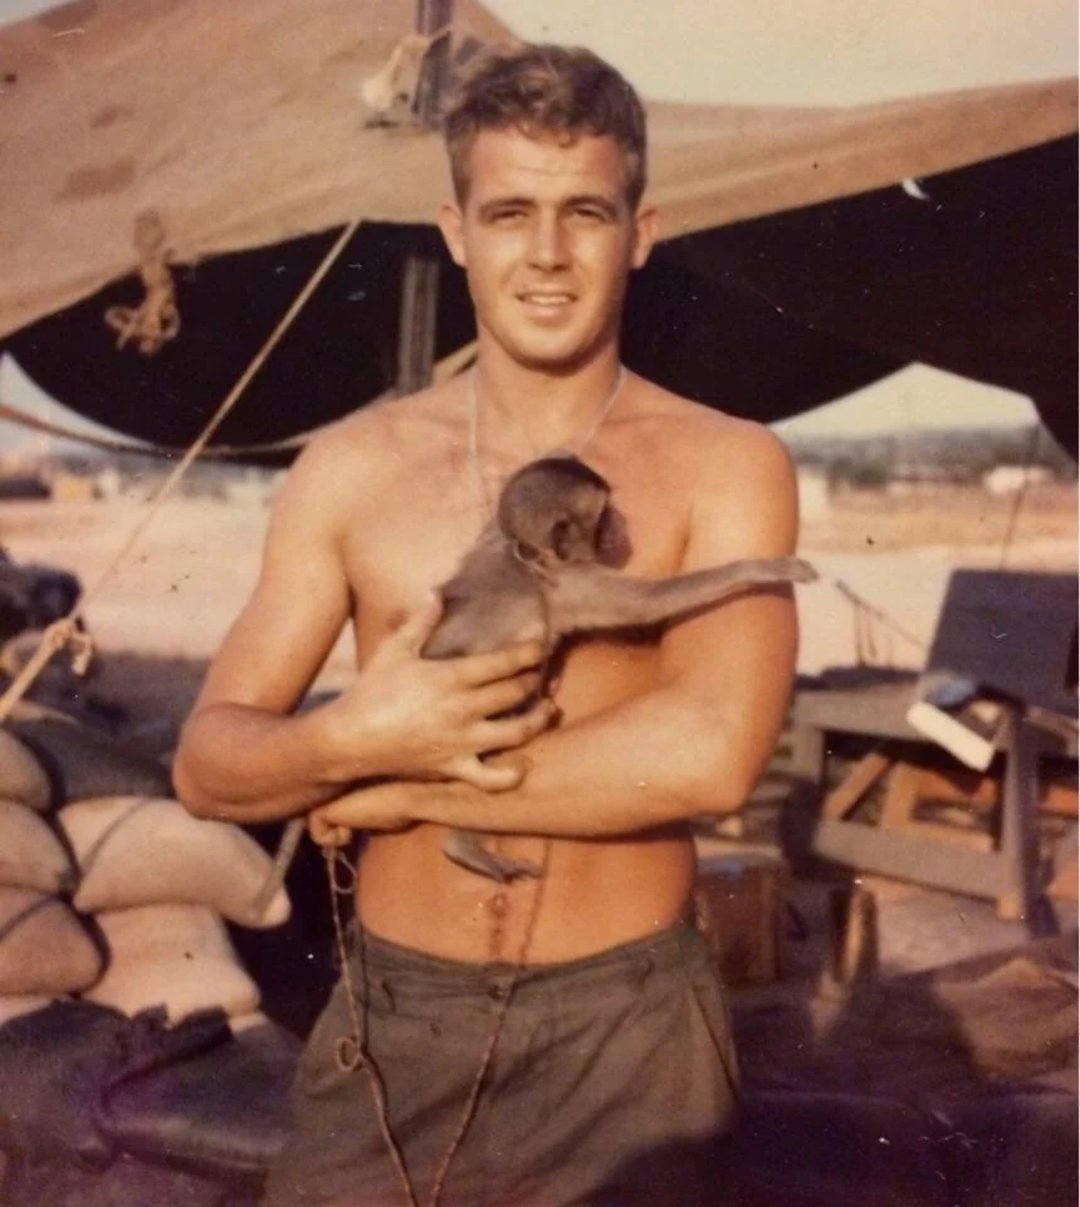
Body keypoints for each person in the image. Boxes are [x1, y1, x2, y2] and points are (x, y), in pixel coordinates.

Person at [174, 42, 800, 1207]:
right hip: (393, 1020)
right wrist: (344, 742)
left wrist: (388, 783)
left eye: (586, 213)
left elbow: (710, 754)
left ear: (641, 231)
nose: (548, 253)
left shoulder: (727, 462)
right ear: (456, 231)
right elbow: (210, 763)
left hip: (626, 1037)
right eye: (511, 212)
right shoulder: (350, 466)